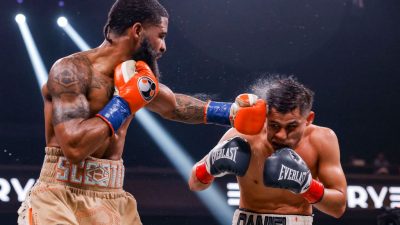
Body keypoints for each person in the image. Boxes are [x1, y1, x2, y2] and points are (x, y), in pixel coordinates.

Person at [16, 0, 267, 224]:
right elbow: (74, 147)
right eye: (161, 35)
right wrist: (123, 104)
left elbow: (174, 106)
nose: (163, 47)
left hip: (112, 197)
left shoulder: (134, 77)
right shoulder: (71, 71)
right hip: (60, 197)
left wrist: (231, 113)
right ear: (137, 31)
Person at [189, 76, 347, 225]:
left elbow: (338, 208)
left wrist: (307, 186)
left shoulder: (322, 139)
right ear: (265, 116)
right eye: (274, 125)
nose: (281, 135)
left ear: (308, 119)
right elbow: (194, 184)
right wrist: (209, 165)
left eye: (291, 126)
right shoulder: (243, 136)